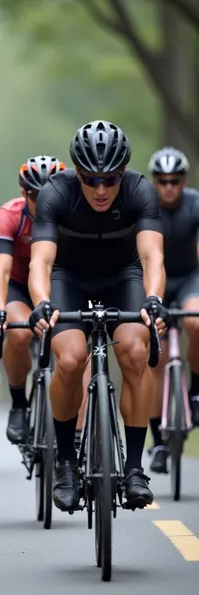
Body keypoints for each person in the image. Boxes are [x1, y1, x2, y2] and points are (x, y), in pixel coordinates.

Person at [27, 120, 167, 512]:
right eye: (91, 179)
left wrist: (154, 298)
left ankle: (136, 468)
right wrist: (41, 301)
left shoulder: (140, 190)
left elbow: (152, 256)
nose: (101, 190)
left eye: (111, 180)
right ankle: (67, 466)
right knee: (70, 359)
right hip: (68, 279)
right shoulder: (56, 192)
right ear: (77, 173)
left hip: (124, 277)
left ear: (123, 173)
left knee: (136, 354)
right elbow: (41, 261)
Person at [0, 156, 66, 444]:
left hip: (58, 286)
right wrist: (0, 310)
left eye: (50, 194)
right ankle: (19, 404)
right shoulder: (10, 215)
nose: (43, 200)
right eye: (36, 195)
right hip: (19, 287)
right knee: (19, 334)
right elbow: (1, 270)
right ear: (24, 194)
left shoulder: (71, 215)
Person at [147, 147, 199, 473]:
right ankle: (158, 443)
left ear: (184, 181)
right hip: (159, 282)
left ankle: (196, 390)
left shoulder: (195, 204)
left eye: (175, 180)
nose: (169, 187)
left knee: (195, 322)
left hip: (191, 277)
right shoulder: (146, 207)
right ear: (155, 182)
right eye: (163, 181)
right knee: (156, 356)